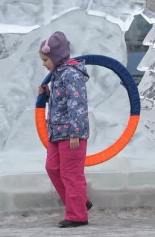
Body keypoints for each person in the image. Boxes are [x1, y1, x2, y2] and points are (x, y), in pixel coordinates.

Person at [38, 31, 92, 228]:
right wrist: (47, 95)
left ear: (56, 56)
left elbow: (76, 103)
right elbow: (61, 101)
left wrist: (75, 132)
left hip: (71, 134)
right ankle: (80, 200)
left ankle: (78, 215)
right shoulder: (57, 74)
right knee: (52, 168)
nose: (44, 64)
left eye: (45, 59)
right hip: (56, 133)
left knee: (71, 174)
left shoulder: (71, 74)